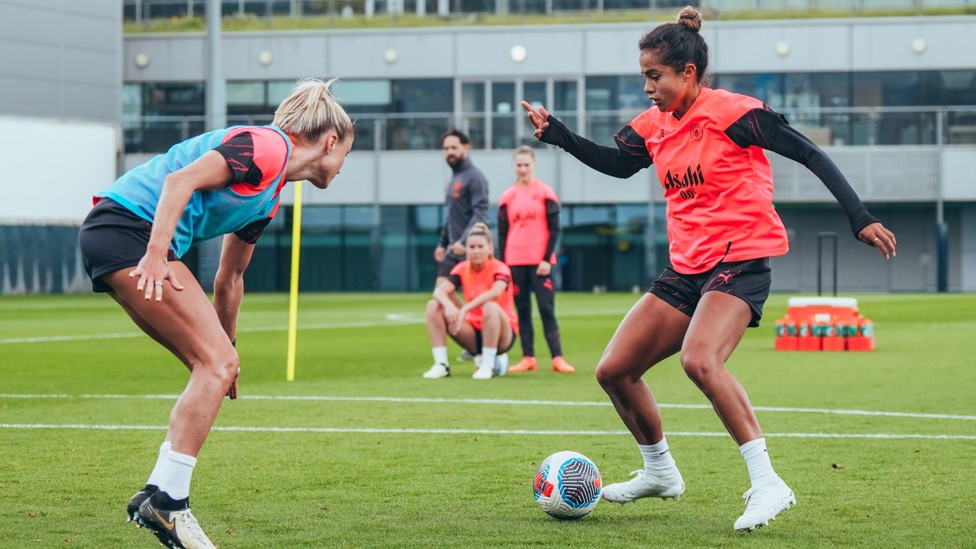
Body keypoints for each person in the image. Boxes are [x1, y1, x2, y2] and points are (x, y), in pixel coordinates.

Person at [521, 6, 896, 533]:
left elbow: (811, 154)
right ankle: (660, 472)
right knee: (614, 371)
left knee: (700, 360)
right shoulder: (653, 126)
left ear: (687, 73)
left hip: (741, 261)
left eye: (655, 76)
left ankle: (768, 482)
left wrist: (860, 218)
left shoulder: (736, 113)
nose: (647, 87)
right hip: (686, 268)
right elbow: (616, 163)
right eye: (644, 76)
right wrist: (558, 133)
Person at [78, 78, 354, 548]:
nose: (344, 165)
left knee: (212, 364)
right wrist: (156, 250)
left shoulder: (269, 195)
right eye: (347, 153)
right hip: (129, 231)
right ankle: (168, 505)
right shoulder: (267, 147)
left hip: (121, 237)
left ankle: (158, 493)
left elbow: (230, 279)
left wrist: (230, 351)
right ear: (331, 140)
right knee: (214, 362)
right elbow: (178, 180)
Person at [497, 145, 575, 374]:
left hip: (540, 263)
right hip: (514, 261)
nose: (522, 169)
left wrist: (545, 259)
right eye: (518, 165)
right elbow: (502, 231)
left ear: (534, 165)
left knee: (546, 308)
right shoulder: (507, 196)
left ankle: (557, 358)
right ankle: (528, 357)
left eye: (526, 164)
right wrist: (503, 263)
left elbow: (555, 228)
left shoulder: (545, 192)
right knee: (522, 310)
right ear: (514, 166)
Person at [423, 222, 519, 380]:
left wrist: (465, 309)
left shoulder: (500, 268)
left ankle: (487, 364)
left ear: (490, 249)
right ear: (466, 249)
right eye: (472, 247)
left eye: (480, 246)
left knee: (490, 307)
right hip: (472, 331)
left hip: (502, 332)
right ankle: (441, 365)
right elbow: (439, 291)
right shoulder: (462, 268)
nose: (476, 251)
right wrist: (448, 306)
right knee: (434, 305)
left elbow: (494, 293)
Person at [434, 129, 490, 290]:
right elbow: (450, 216)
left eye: (454, 147)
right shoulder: (453, 178)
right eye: (446, 149)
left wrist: (464, 242)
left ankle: (467, 315)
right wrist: (442, 244)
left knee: (475, 296)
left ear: (466, 147)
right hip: (453, 249)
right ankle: (463, 315)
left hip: (470, 248)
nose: (449, 152)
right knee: (440, 294)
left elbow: (481, 214)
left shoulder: (475, 177)